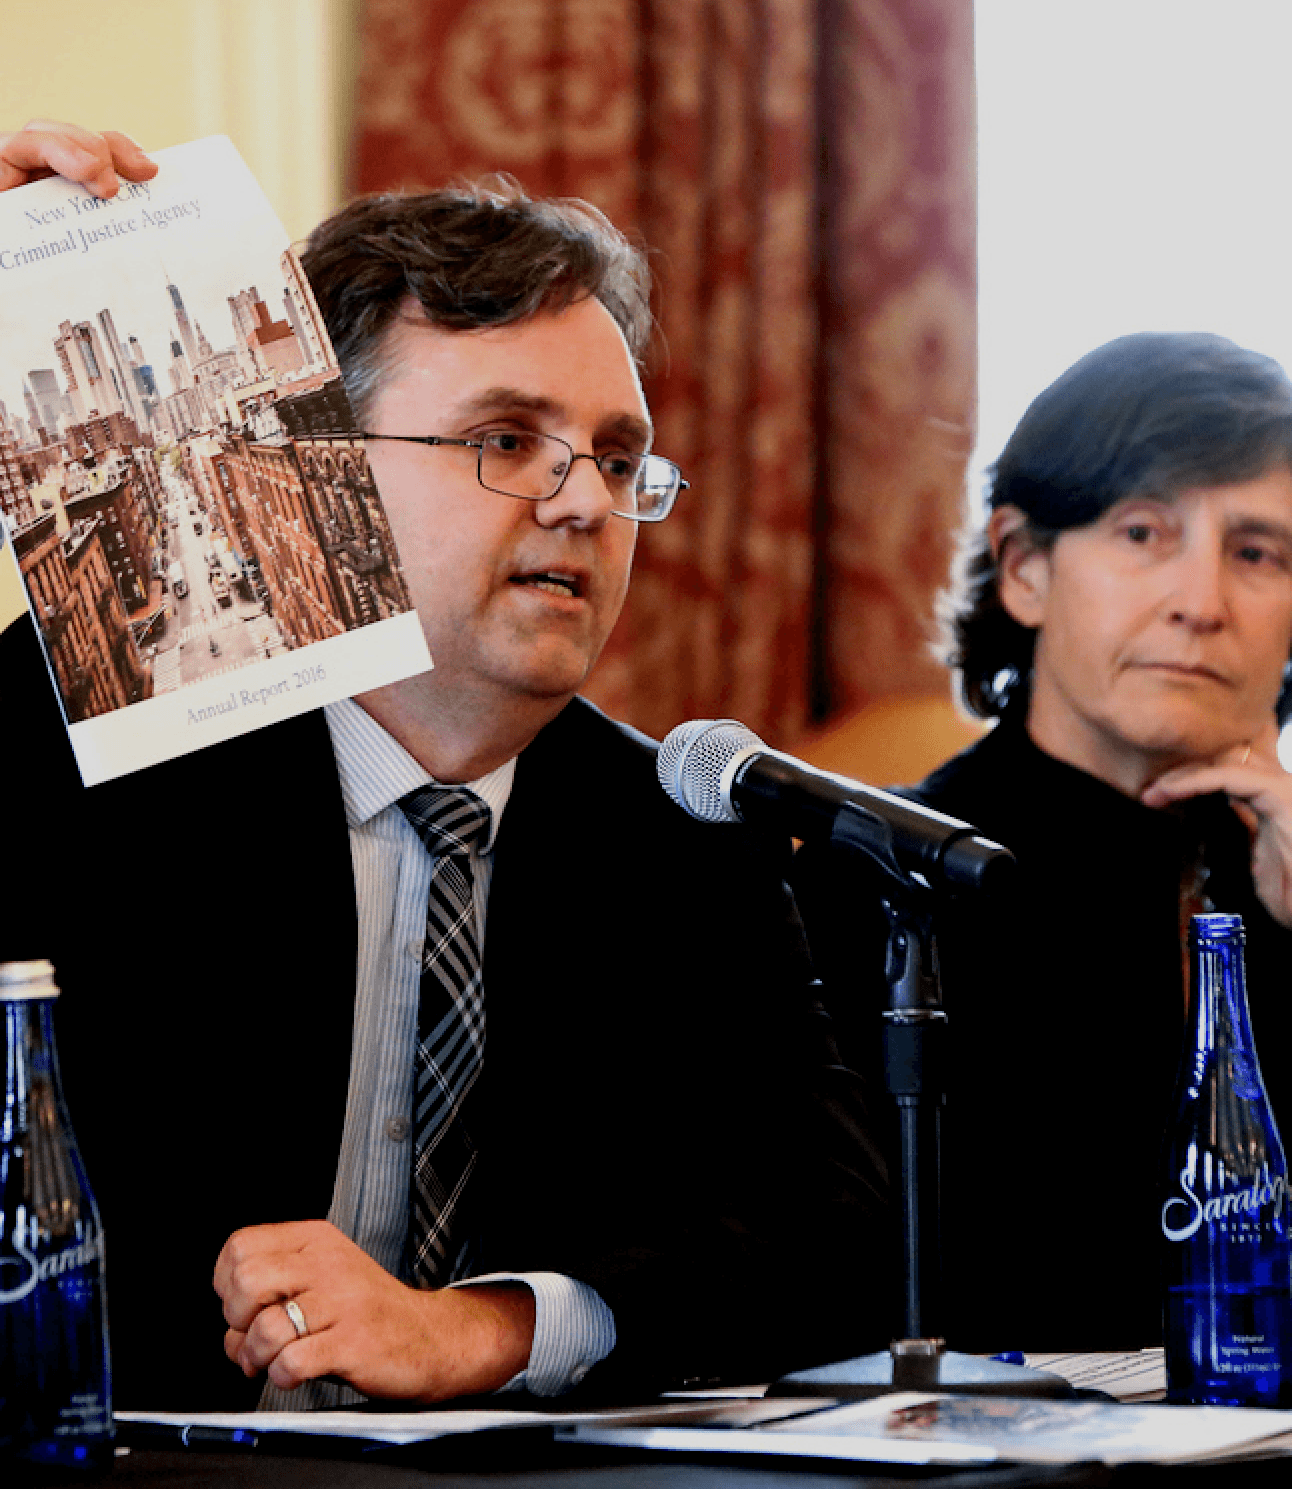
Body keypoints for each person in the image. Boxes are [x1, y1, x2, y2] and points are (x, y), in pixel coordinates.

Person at [0, 121, 888, 1408]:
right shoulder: (92, 765)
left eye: (618, 458)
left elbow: (838, 1238)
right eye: (506, 440)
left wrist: (490, 1329)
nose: (582, 503)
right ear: (321, 468)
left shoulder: (677, 832)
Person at [792, 330, 1292, 1354]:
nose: (1200, 603)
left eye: (1254, 552)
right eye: (1141, 533)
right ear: (1024, 568)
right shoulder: (880, 875)